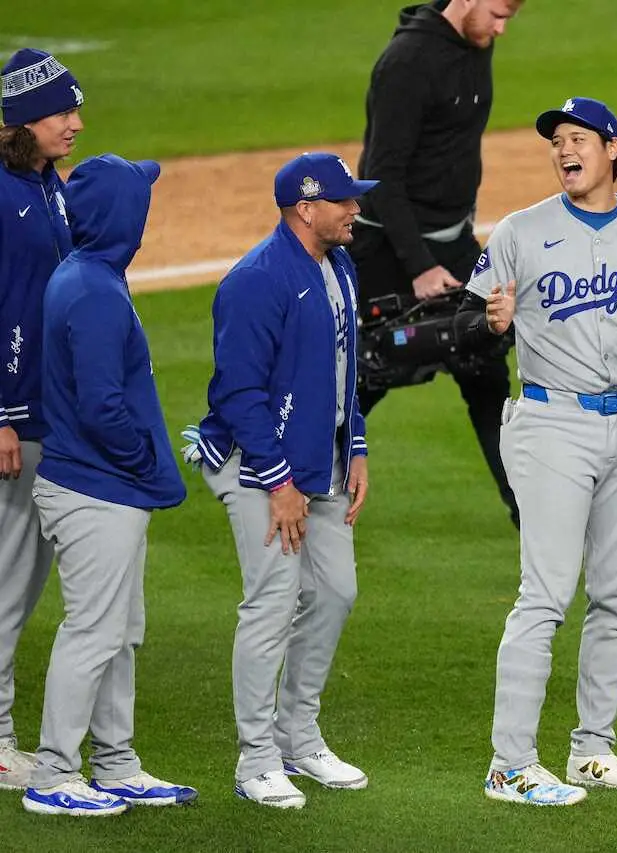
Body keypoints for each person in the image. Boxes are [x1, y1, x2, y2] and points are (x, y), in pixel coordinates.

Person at [456, 96, 617, 806]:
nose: (564, 151)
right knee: (544, 594)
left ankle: (591, 750)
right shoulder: (521, 231)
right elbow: (465, 322)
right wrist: (489, 320)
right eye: (556, 142)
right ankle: (509, 765)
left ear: (612, 149)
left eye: (577, 139)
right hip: (552, 425)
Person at [194, 153, 373, 810]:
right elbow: (238, 392)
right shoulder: (256, 281)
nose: (355, 208)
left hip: (315, 463)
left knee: (334, 592)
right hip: (256, 464)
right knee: (272, 600)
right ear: (306, 207)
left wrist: (353, 443)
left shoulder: (339, 267)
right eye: (344, 199)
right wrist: (278, 481)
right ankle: (256, 758)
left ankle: (298, 736)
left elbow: (343, 365)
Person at [21, 155, 196, 816]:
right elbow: (101, 406)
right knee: (94, 631)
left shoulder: (88, 276)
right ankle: (56, 772)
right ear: (126, 214)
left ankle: (116, 762)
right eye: (140, 199)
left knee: (119, 631)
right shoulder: (93, 292)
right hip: (96, 488)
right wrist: (146, 459)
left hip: (102, 487)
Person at [351, 0, 525, 527]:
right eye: (497, 13)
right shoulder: (406, 62)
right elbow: (381, 176)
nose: (501, 28)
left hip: (453, 247)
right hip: (391, 251)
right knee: (365, 379)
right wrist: (420, 264)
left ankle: (530, 515)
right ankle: (290, 483)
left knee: (486, 374)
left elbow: (450, 150)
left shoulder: (477, 44)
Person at [0, 47, 84, 791]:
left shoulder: (45, 185)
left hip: (44, 414)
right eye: (62, 112)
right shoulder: (2, 196)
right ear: (24, 119)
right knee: (8, 579)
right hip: (13, 420)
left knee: (22, 579)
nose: (76, 123)